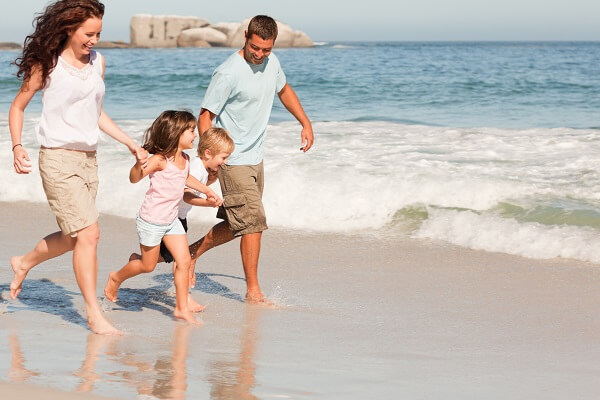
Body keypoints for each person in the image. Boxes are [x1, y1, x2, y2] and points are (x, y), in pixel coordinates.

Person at [8, 0, 148, 335]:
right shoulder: (48, 64)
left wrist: (129, 141)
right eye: (89, 33)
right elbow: (17, 108)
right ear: (69, 28)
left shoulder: (98, 62)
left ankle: (23, 262)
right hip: (56, 158)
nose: (94, 40)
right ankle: (92, 314)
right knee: (89, 233)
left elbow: (95, 112)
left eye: (98, 33)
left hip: (88, 160)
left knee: (75, 238)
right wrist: (16, 147)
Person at [189, 15, 314, 303]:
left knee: (238, 225)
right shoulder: (228, 72)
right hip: (232, 159)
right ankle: (253, 291)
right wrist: (210, 160)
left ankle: (191, 253)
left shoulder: (273, 63)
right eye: (255, 47)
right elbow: (206, 116)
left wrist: (305, 122)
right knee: (254, 222)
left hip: (256, 157)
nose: (259, 54)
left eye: (266, 49)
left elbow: (283, 90)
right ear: (246, 36)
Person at [103, 110, 221, 325]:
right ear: (176, 133)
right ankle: (115, 278)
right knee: (148, 266)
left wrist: (207, 190)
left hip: (172, 220)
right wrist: (139, 163)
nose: (195, 135)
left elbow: (187, 178)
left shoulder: (184, 159)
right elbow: (134, 178)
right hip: (152, 220)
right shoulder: (159, 160)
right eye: (191, 130)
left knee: (184, 261)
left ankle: (181, 308)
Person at [129, 127, 234, 312]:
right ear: (208, 153)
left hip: (178, 217)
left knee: (166, 258)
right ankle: (184, 300)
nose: (225, 162)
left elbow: (194, 186)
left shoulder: (201, 168)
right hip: (170, 217)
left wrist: (209, 183)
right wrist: (207, 202)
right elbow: (185, 195)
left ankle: (138, 260)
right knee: (181, 260)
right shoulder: (194, 167)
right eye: (223, 158)